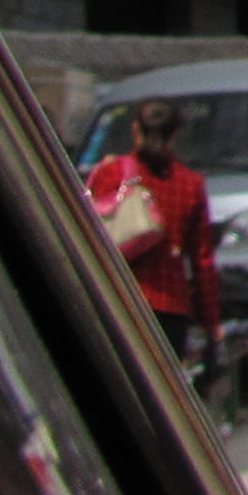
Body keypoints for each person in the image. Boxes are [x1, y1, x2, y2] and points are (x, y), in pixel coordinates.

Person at [86, 100, 221, 370]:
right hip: (169, 309)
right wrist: (211, 323)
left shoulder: (110, 172)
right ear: (174, 135)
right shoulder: (191, 184)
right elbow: (202, 261)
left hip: (116, 300)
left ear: (136, 130)